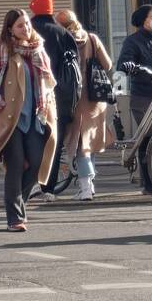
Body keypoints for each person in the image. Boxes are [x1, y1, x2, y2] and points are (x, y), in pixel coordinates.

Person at [0, 9, 58, 232]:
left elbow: (48, 82)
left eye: (27, 24)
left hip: (36, 114)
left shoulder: (38, 49)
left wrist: (48, 104)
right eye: (20, 26)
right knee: (16, 163)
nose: (26, 29)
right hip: (11, 117)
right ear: (10, 29)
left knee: (36, 162)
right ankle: (14, 217)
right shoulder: (1, 51)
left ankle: (20, 204)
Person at [56, 10, 114, 201]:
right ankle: (89, 185)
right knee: (88, 143)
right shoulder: (91, 38)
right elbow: (108, 64)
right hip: (96, 99)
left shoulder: (62, 40)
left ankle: (86, 187)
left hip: (74, 98)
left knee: (81, 145)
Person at [28, 0, 79, 198]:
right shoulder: (63, 33)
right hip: (59, 96)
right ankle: (48, 188)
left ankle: (30, 183)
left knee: (31, 140)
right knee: (54, 143)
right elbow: (74, 62)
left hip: (30, 95)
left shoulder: (27, 31)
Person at [117, 4, 152, 130]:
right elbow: (124, 62)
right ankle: (144, 149)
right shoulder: (133, 41)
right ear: (143, 20)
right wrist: (129, 65)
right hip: (144, 96)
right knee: (151, 137)